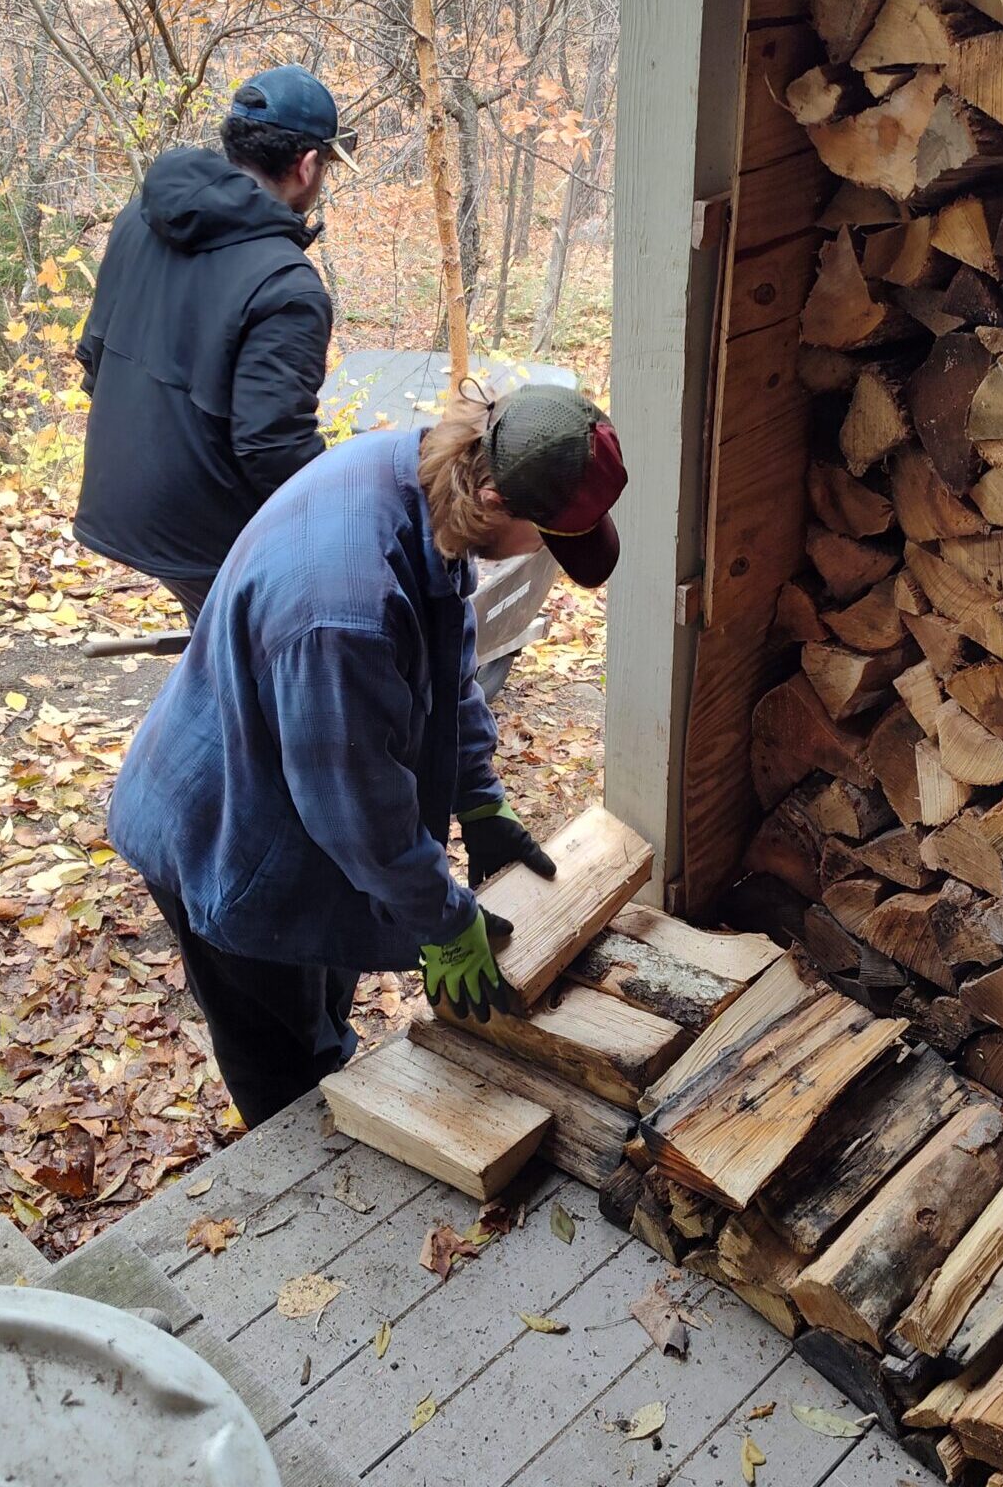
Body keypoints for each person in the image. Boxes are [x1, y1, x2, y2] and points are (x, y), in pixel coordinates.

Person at [105, 383, 626, 1128]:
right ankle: (300, 1191)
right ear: (494, 497)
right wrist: (443, 920)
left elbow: (450, 658)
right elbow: (356, 811)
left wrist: (478, 797)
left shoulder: (423, 475)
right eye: (545, 537)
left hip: (295, 785)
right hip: (228, 835)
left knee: (325, 998)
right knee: (287, 1066)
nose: (543, 554)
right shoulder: (345, 611)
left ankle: (329, 1072)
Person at [74, 64, 358, 619]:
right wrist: (344, 515)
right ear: (306, 167)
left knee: (220, 640)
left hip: (119, 495)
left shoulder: (140, 216)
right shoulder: (287, 285)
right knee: (297, 644)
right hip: (202, 528)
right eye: (325, 165)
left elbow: (93, 357)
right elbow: (272, 448)